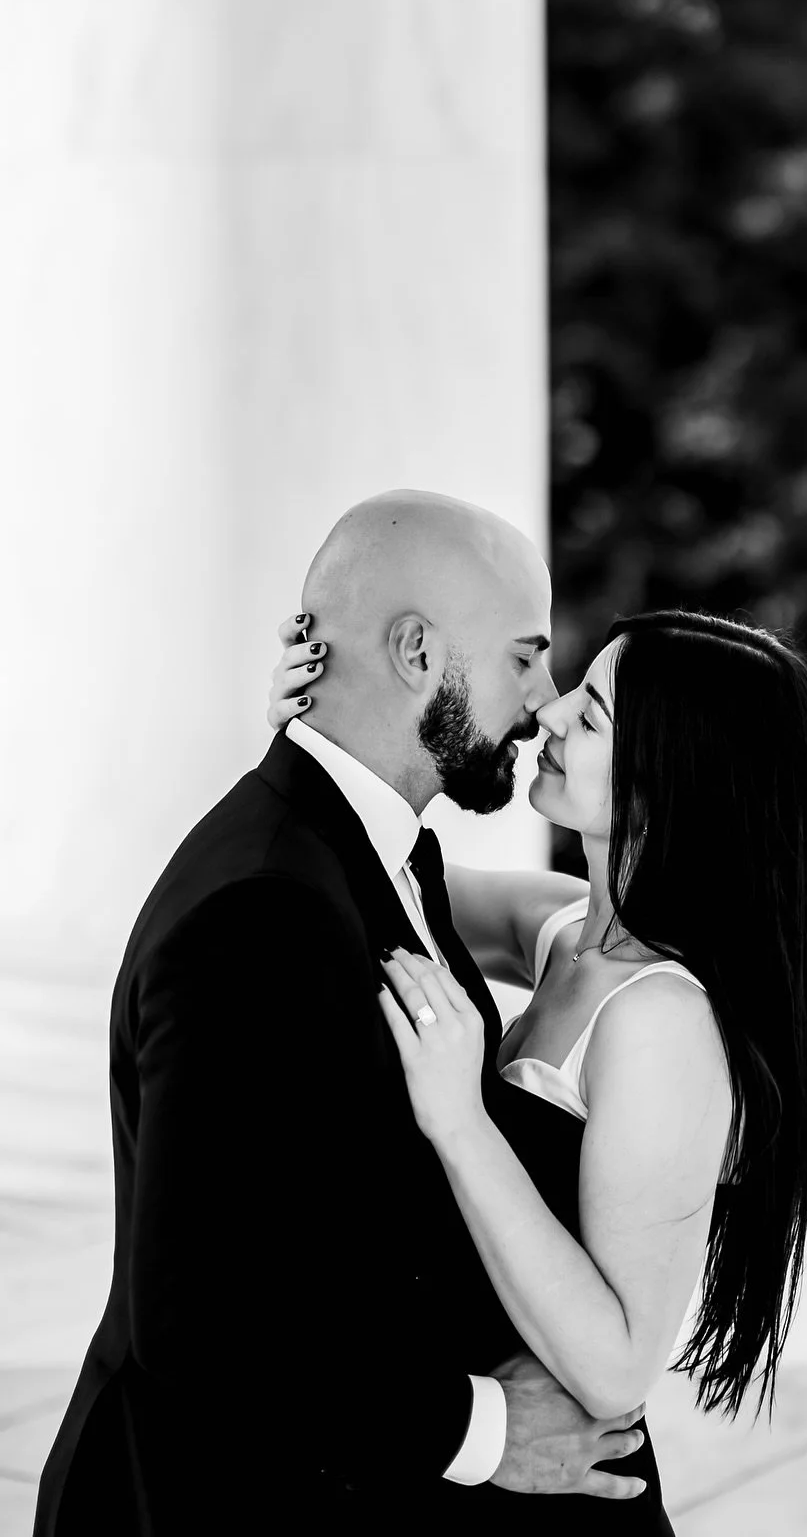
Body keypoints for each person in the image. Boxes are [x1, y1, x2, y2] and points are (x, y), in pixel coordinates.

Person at [35, 492, 652, 1537]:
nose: (542, 700)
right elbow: (197, 1319)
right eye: (522, 657)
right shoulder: (263, 910)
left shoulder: (371, 845)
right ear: (418, 652)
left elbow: (577, 927)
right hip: (213, 1501)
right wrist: (488, 1431)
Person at [264, 603, 807, 1525]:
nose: (553, 714)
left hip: (564, 1487)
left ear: (670, 778)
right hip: (491, 1458)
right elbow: (364, 875)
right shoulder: (569, 930)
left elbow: (616, 1366)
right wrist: (318, 730)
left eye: (594, 714)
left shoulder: (660, 1021)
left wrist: (460, 1121)